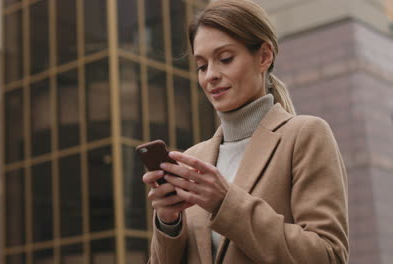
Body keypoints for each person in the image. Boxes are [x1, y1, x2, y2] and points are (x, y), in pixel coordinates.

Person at [142, 0, 349, 263]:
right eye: (202, 66)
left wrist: (225, 202)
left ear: (264, 56)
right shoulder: (195, 158)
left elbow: (328, 256)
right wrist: (168, 222)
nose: (210, 76)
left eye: (225, 59)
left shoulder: (305, 135)